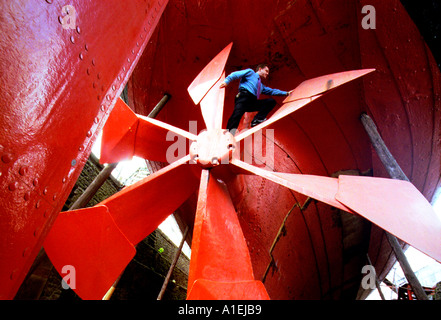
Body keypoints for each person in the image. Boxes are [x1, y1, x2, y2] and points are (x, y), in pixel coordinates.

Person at [220, 64, 289, 133]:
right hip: (244, 97)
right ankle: (228, 135)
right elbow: (236, 74)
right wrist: (226, 81)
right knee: (236, 115)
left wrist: (286, 93)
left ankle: (257, 120)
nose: (267, 73)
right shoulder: (251, 72)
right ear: (260, 69)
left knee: (271, 102)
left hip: (252, 101)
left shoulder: (261, 86)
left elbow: (272, 91)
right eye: (266, 71)